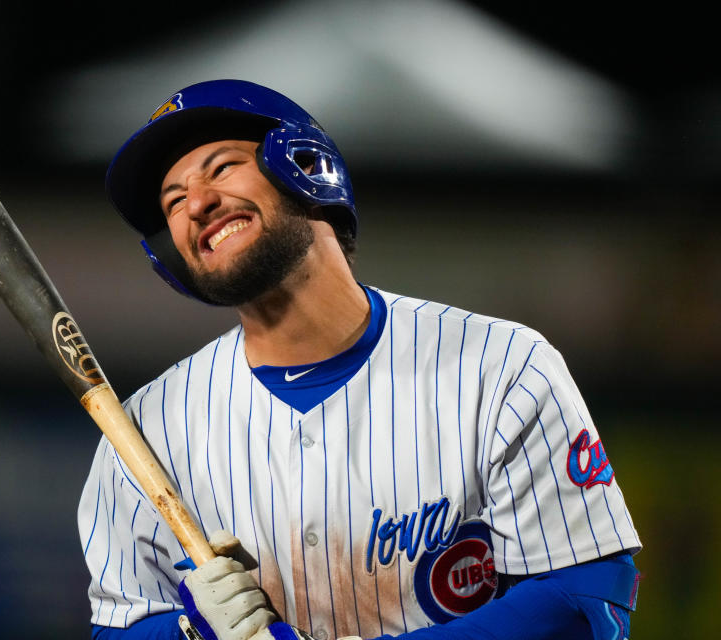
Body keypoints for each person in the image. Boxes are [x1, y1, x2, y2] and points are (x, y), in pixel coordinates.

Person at [78, 79, 641, 640]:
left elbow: (584, 595)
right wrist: (189, 635)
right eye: (173, 201)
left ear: (302, 164)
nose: (197, 204)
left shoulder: (502, 367)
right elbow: (118, 628)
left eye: (221, 168)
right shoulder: (145, 430)